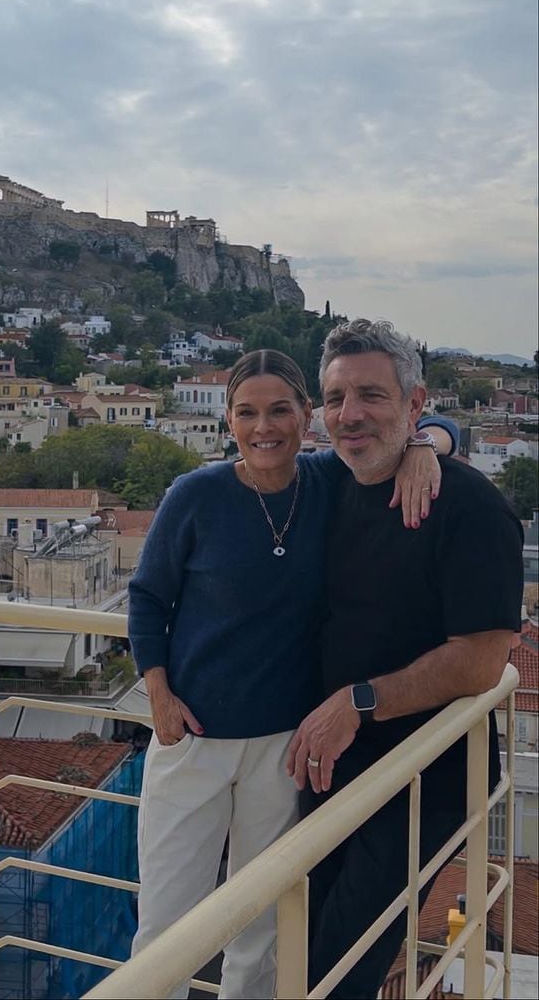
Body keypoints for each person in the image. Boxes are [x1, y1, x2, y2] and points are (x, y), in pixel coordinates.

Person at [127, 348, 457, 1000]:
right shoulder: (194, 496)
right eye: (246, 413)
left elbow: (434, 423)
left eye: (280, 410)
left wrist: (424, 445)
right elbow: (146, 598)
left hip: (283, 745)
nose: (264, 427)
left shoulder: (326, 479)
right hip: (190, 738)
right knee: (167, 920)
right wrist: (158, 694)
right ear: (227, 421)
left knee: (262, 923)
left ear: (306, 415)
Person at [285, 319, 523, 999]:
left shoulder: (469, 508)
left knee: (339, 966)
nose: (349, 414)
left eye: (371, 395)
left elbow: (481, 661)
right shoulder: (327, 485)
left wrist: (359, 701)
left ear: (413, 405)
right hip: (331, 766)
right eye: (334, 399)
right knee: (297, 941)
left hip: (423, 781)